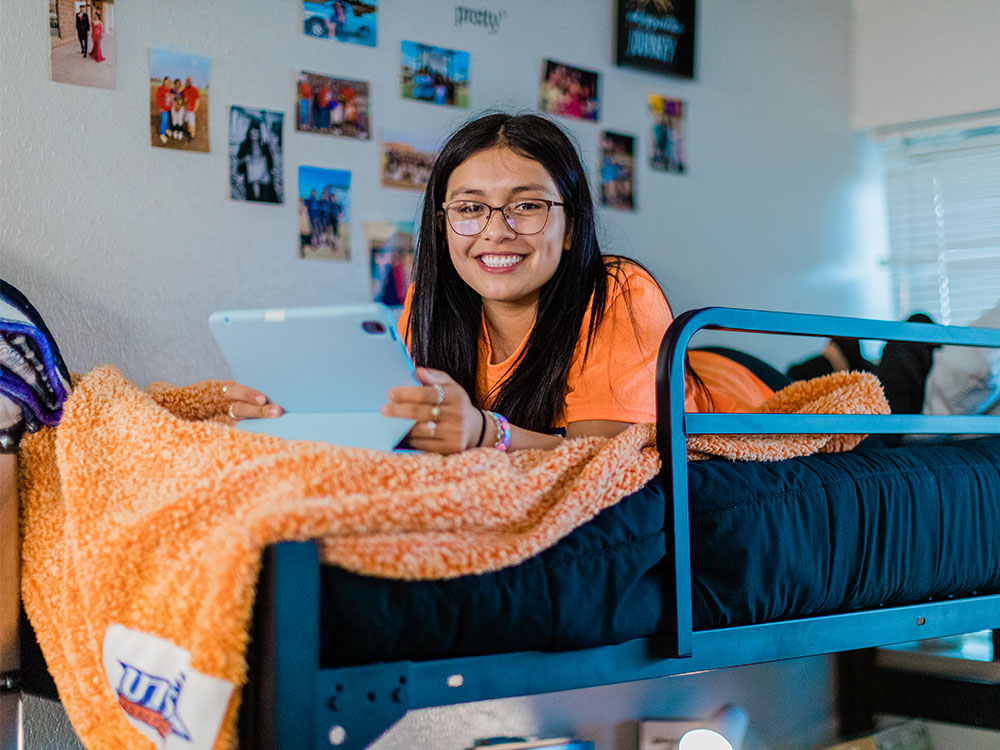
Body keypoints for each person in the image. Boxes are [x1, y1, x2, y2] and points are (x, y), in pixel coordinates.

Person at [222, 113, 774, 453]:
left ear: (571, 222)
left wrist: (489, 433)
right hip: (671, 364)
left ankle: (831, 352)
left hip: (733, 385)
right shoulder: (430, 300)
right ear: (442, 224)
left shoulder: (619, 290)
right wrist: (293, 416)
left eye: (527, 206)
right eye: (469, 209)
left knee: (812, 373)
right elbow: (401, 415)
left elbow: (608, 456)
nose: (496, 232)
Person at [235, 118, 277, 202]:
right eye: (252, 131)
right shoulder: (244, 145)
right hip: (250, 180)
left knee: (267, 199)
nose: (254, 134)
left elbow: (271, 164)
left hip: (265, 179)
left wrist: (272, 172)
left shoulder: (264, 146)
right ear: (249, 132)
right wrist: (244, 159)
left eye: (256, 132)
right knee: (252, 200)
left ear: (260, 132)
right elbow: (238, 165)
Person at [155, 77, 172, 144]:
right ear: (164, 81)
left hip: (169, 108)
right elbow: (158, 98)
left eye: (169, 81)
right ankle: (162, 134)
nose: (168, 82)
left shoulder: (170, 90)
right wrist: (160, 107)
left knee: (168, 120)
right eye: (166, 81)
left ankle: (167, 130)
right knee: (164, 121)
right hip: (163, 108)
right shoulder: (160, 89)